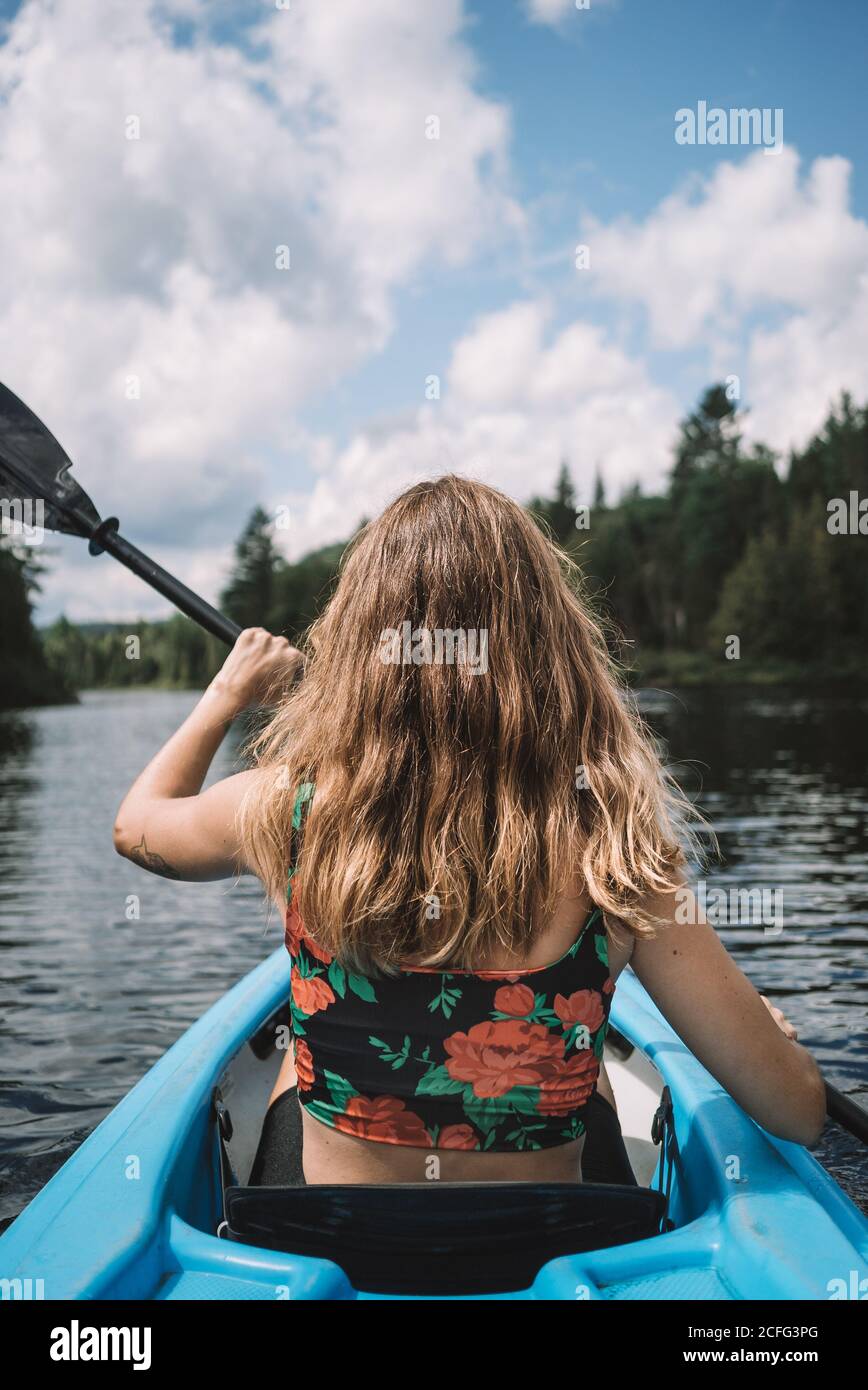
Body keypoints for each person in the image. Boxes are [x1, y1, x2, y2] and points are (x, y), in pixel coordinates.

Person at [113, 476, 825, 1188]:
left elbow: (136, 826)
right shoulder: (616, 843)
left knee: (290, 1076)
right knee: (593, 1071)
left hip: (332, 1241)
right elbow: (799, 1113)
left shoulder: (285, 809)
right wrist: (764, 1038)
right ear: (549, 643)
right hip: (546, 1245)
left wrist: (227, 693)